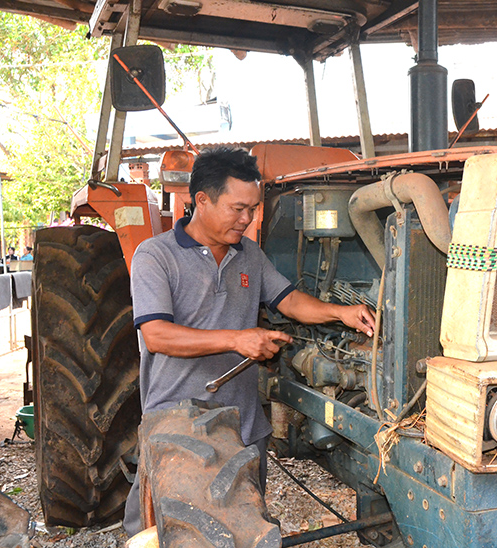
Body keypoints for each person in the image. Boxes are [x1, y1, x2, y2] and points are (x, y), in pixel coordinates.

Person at [123, 146, 375, 536]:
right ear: (201, 201)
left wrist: (339, 312)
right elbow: (156, 335)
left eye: (253, 208)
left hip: (242, 422)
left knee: (243, 526)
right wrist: (239, 340)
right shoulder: (156, 256)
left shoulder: (249, 255)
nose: (247, 219)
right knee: (168, 532)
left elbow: (289, 300)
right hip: (181, 421)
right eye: (237, 208)